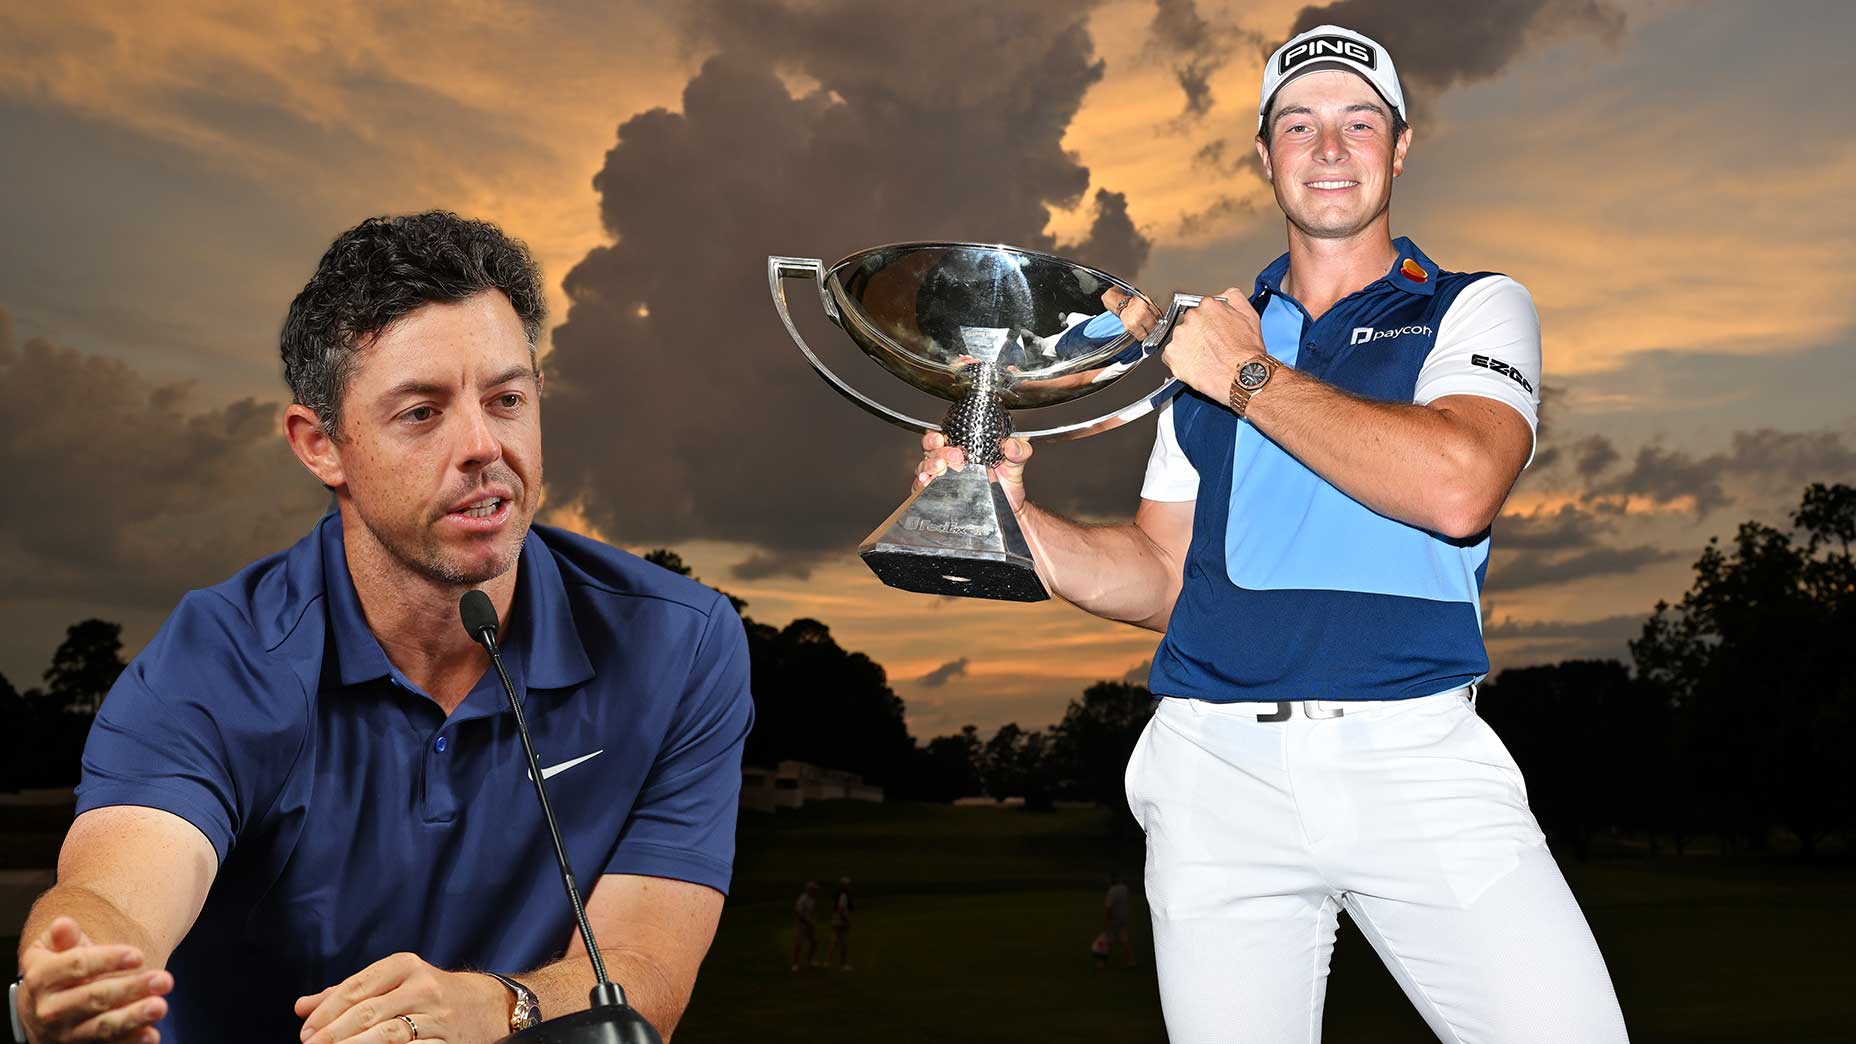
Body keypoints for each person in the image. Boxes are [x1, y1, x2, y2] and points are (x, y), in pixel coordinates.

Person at [916, 24, 1628, 1044]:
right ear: (1263, 154)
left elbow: (1458, 484)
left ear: (1400, 147)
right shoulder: (1206, 342)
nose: (1327, 149)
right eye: (1298, 125)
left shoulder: (1471, 309)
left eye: (1356, 123)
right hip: (1214, 775)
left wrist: (1247, 377)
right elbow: (1159, 575)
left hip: (1416, 758)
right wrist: (1013, 519)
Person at [11, 212, 755, 1044]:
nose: (483, 445)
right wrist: (76, 970)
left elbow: (645, 973)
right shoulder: (217, 656)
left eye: (508, 399)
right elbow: (115, 891)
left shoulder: (682, 643)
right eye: (421, 412)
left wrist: (496, 1005)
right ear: (321, 446)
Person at [1102, 874, 1132, 969]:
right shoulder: (1124, 888)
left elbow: (1108, 907)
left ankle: (1103, 961)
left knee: (1109, 939)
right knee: (1124, 939)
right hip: (1123, 917)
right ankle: (1131, 960)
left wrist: (1106, 919)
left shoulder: (1112, 891)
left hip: (1114, 918)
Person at [826, 877, 853, 972]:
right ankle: (843, 964)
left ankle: (827, 962)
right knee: (844, 943)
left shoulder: (838, 894)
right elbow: (841, 909)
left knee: (834, 941)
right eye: (849, 885)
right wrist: (847, 920)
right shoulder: (843, 895)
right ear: (845, 886)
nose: (850, 886)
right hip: (840, 920)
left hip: (835, 919)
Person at [791, 881, 819, 972]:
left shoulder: (812, 899)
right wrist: (807, 921)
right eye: (813, 889)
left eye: (815, 889)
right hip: (801, 924)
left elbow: (812, 911)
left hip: (809, 924)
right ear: (808, 889)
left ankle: (810, 960)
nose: (815, 891)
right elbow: (798, 913)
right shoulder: (802, 899)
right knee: (798, 944)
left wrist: (812, 921)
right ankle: (795, 964)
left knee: (814, 942)